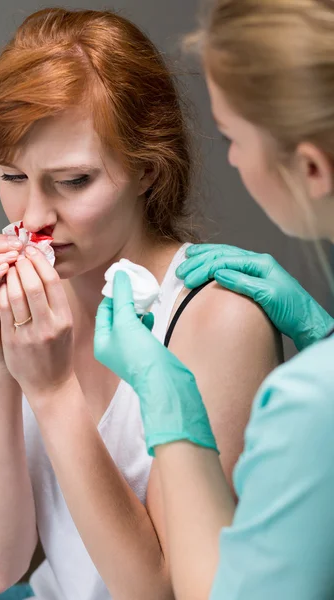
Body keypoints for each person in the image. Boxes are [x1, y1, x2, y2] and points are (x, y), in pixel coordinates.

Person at [0, 8, 281, 600]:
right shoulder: (27, 305)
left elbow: (168, 593)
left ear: (147, 170)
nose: (34, 219)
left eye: (73, 181)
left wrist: (51, 392)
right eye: (12, 175)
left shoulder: (217, 317)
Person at [94, 1, 334, 599]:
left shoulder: (305, 397)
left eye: (232, 137)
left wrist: (168, 400)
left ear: (310, 168)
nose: (226, 158)